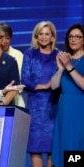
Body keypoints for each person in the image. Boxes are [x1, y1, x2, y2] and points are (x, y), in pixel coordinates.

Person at [21, 21, 59, 167]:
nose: (43, 37)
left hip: (54, 104)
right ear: (36, 36)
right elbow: (24, 79)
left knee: (52, 146)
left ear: (52, 37)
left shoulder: (58, 55)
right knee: (35, 146)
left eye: (47, 34)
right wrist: (42, 86)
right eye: (41, 34)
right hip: (36, 104)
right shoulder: (29, 53)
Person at [50, 23, 84, 167]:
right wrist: (61, 68)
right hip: (65, 109)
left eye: (77, 36)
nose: (73, 39)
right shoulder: (65, 59)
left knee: (75, 146)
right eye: (71, 36)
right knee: (63, 147)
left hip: (80, 109)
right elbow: (54, 85)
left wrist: (69, 67)